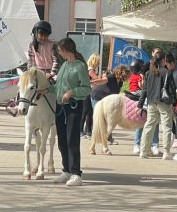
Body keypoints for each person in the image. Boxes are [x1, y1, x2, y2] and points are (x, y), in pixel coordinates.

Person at [43, 38, 90, 187]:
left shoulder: (80, 66)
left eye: (59, 50)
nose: (58, 53)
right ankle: (67, 170)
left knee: (72, 140)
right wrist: (47, 89)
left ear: (66, 50)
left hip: (74, 106)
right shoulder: (64, 65)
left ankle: (76, 173)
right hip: (60, 106)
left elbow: (87, 88)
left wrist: (72, 92)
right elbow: (58, 86)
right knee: (62, 139)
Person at [6, 20, 59, 116]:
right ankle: (15, 105)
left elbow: (56, 61)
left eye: (45, 35)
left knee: (58, 85)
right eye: (41, 34)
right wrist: (31, 72)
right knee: (24, 84)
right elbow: (31, 61)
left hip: (49, 72)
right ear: (35, 33)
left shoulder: (53, 45)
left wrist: (52, 73)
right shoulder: (32, 44)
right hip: (36, 72)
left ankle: (60, 108)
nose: (43, 37)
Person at [138, 52, 175, 160]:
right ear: (163, 60)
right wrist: (175, 102)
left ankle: (143, 151)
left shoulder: (148, 73)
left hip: (151, 102)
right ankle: (166, 152)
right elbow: (172, 89)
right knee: (167, 126)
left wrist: (140, 103)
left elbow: (144, 90)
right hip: (163, 102)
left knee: (149, 125)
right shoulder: (167, 72)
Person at [90, 64, 130, 144]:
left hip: (106, 100)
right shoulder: (111, 77)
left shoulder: (120, 82)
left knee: (109, 118)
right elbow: (102, 80)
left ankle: (107, 138)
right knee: (101, 118)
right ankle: (97, 137)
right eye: (127, 75)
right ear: (122, 74)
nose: (128, 77)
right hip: (97, 97)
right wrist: (91, 82)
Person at [80, 53, 99, 138]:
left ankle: (88, 130)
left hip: (89, 91)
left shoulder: (88, 68)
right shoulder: (91, 69)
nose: (98, 64)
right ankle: (81, 131)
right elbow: (96, 79)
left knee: (89, 112)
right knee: (85, 111)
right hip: (87, 92)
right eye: (98, 62)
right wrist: (102, 77)